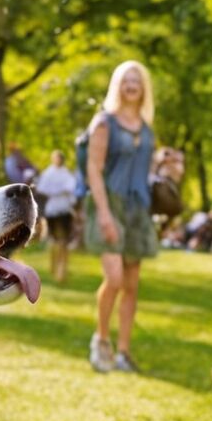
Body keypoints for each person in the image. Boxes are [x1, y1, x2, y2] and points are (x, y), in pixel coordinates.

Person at [83, 61, 160, 374]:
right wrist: (103, 213)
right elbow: (94, 169)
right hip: (110, 204)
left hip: (138, 207)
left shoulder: (147, 127)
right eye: (126, 80)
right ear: (118, 85)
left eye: (137, 81)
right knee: (114, 279)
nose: (131, 86)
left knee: (132, 284)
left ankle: (124, 352)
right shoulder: (105, 123)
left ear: (143, 88)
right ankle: (101, 339)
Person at [34, 149, 78, 282]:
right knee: (55, 240)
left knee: (63, 240)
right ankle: (54, 267)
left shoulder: (66, 174)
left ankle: (62, 270)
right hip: (52, 210)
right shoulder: (49, 173)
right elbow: (42, 188)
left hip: (64, 210)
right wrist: (58, 191)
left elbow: (71, 189)